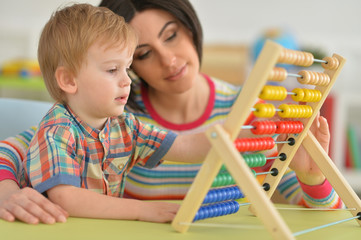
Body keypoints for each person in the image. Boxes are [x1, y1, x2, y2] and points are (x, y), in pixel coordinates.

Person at [0, 0, 343, 224]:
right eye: (145, 54)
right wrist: (7, 192)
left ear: (191, 28)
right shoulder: (105, 114)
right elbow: (11, 152)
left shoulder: (252, 112)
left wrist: (313, 177)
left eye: (172, 36)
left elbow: (325, 220)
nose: (169, 60)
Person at [20, 3, 215, 223]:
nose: (126, 81)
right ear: (68, 80)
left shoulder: (124, 126)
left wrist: (235, 137)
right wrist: (141, 210)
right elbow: (66, 197)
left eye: (127, 68)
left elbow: (182, 146)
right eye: (113, 70)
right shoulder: (57, 132)